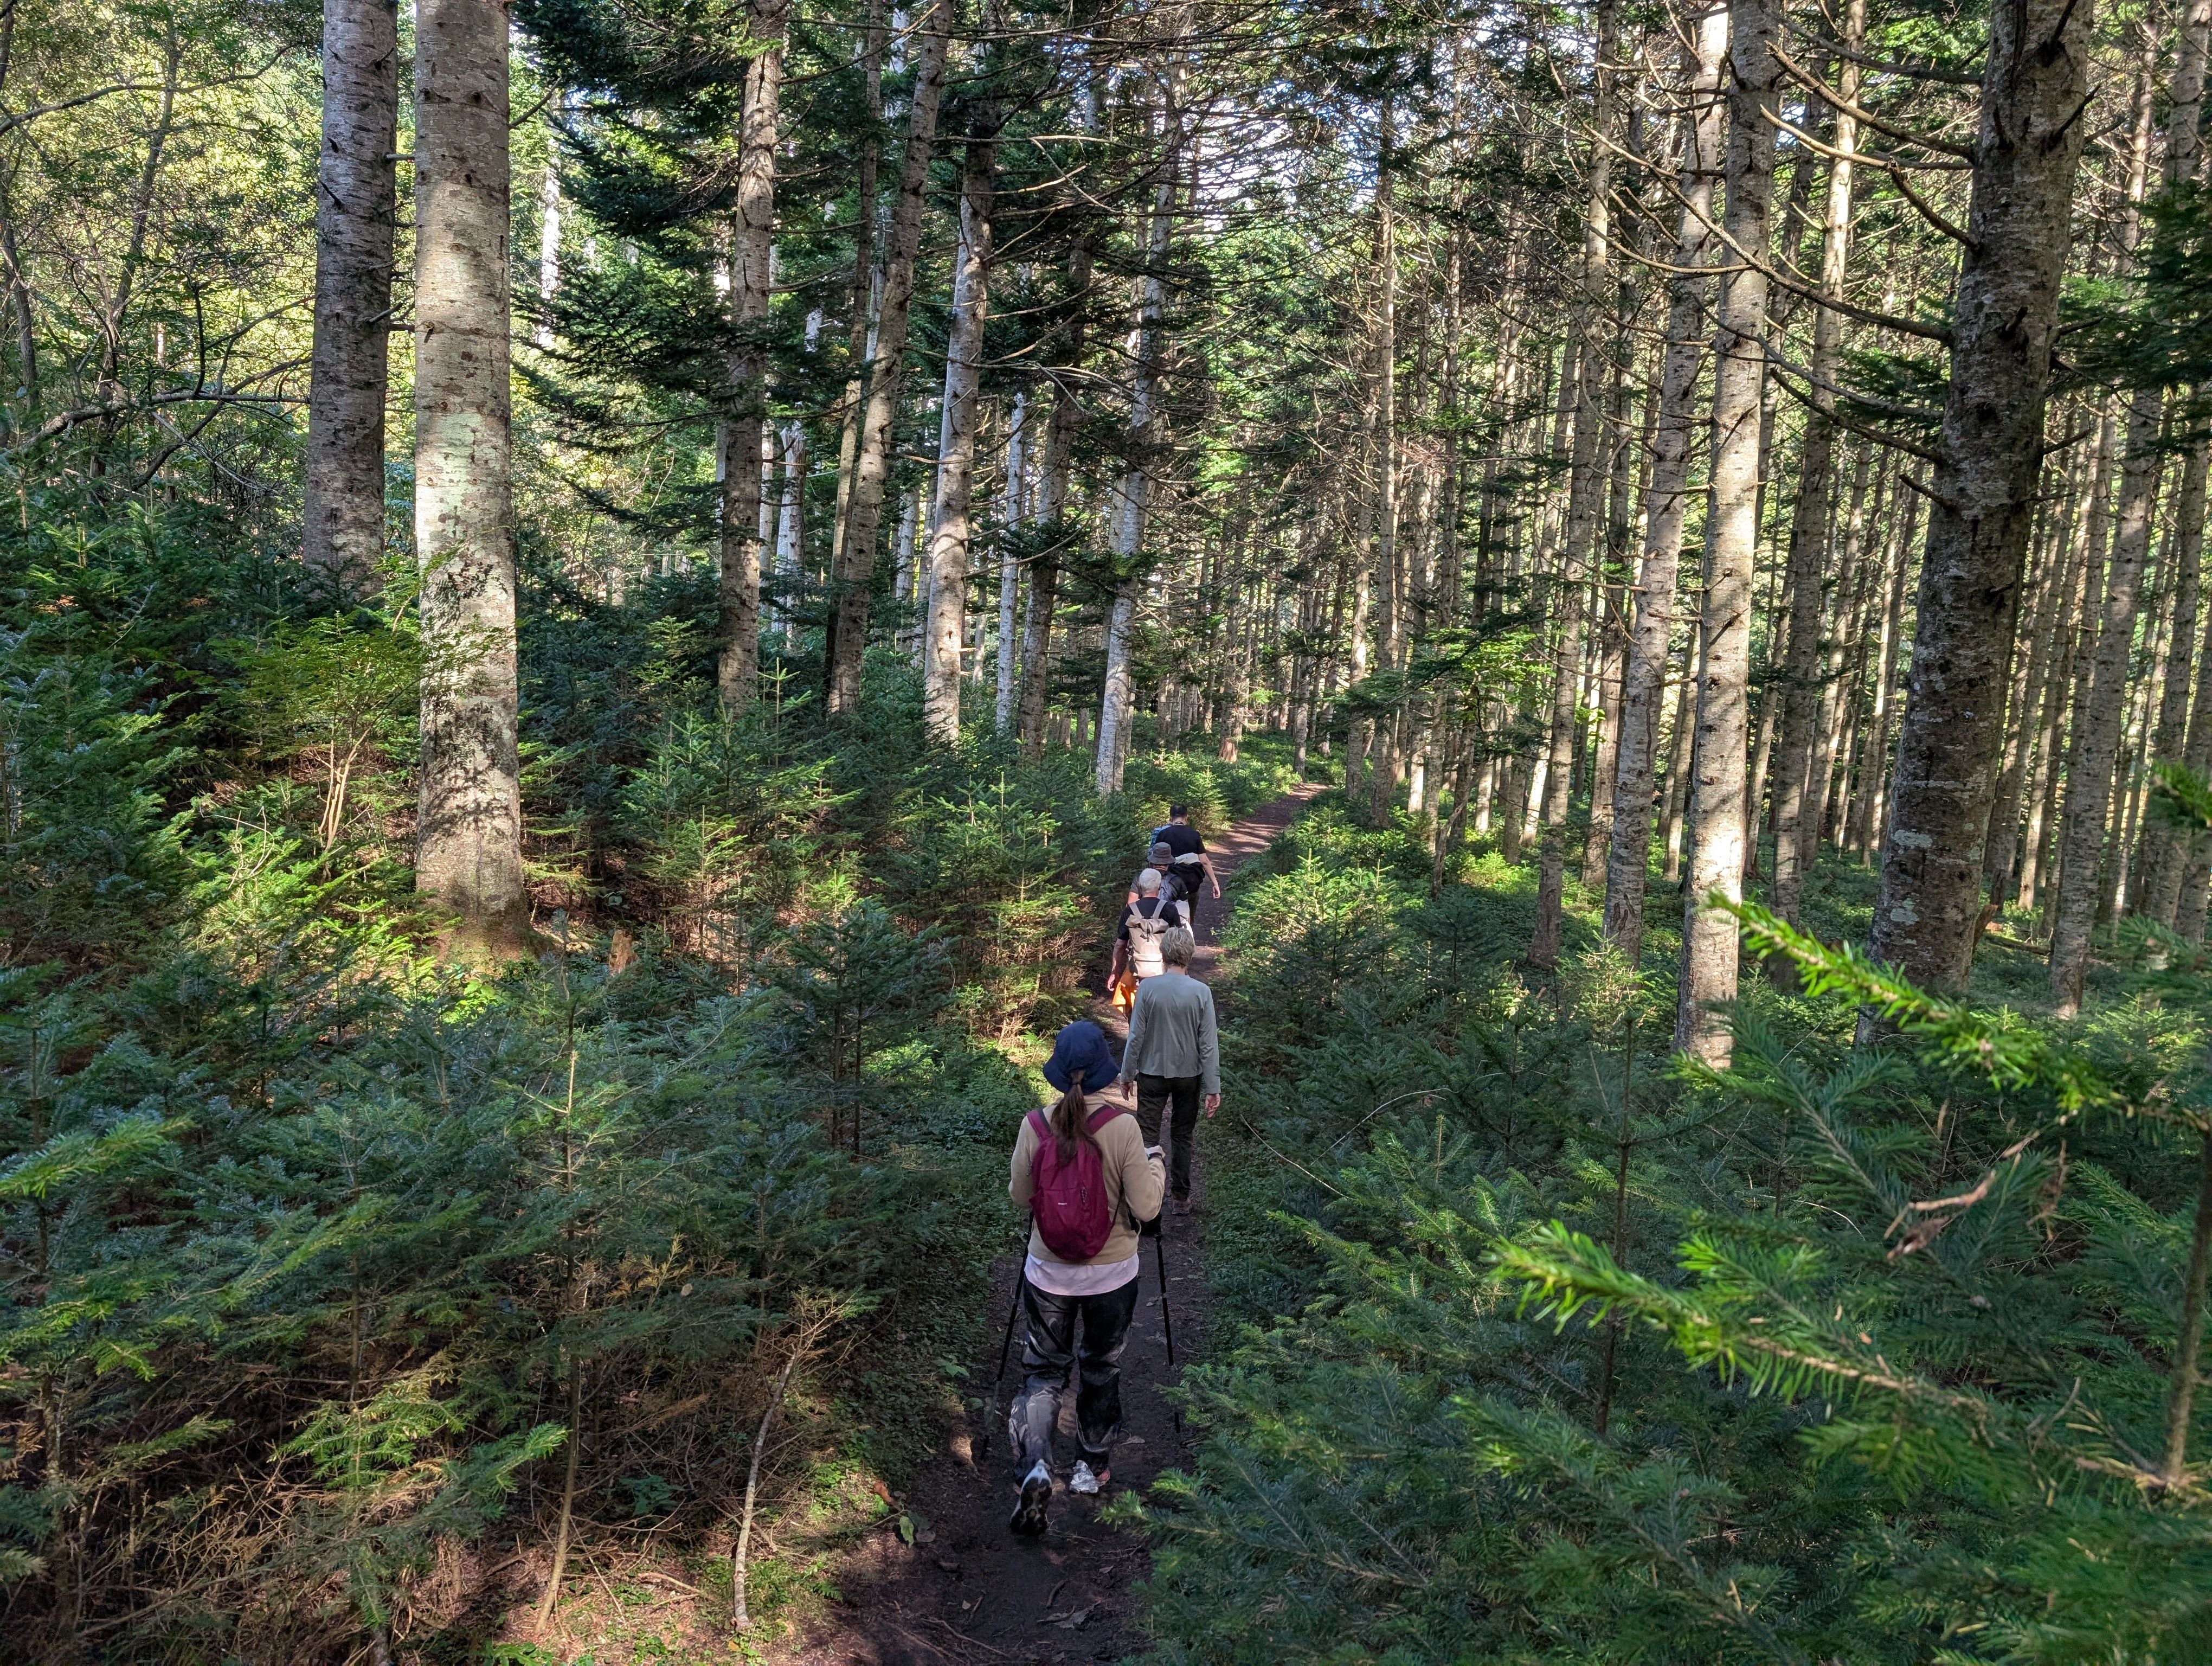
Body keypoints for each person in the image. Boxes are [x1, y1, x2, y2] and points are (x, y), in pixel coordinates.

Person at [1006, 1024, 1165, 1534]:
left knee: (1044, 1372)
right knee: (1100, 1366)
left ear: (1057, 1071)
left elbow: (1019, 1196)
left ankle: (1035, 1462)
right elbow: (1146, 1206)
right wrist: (1156, 1166)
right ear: (1104, 1069)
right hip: (1112, 1276)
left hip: (1047, 1272)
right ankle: (1090, 1467)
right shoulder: (1123, 1128)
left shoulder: (1036, 1124)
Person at [1118, 925, 1219, 1214]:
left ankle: (1143, 1200)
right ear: (1189, 955)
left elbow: (1135, 1036)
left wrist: (1127, 1074)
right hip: (1189, 1075)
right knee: (1182, 1135)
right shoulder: (1201, 992)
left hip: (1151, 1073)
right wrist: (1213, 1087)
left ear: (1164, 953)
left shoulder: (1148, 988)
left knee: (1147, 1137)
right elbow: (1209, 1044)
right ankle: (1180, 1198)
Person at [1108, 868, 1182, 995]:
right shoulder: (1170, 909)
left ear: (1141, 887)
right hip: (1163, 969)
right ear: (1159, 887)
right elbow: (1178, 943)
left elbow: (1120, 945)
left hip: (1137, 969)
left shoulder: (1130, 911)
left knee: (1134, 999)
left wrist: (1114, 973)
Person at [1150, 804, 1221, 910]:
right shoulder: (1194, 834)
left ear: (1171, 817)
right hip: (1191, 882)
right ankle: (1188, 925)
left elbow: (1157, 860)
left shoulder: (1163, 834)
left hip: (1169, 883)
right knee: (1189, 913)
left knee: (1166, 913)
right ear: (1186, 817)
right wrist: (1215, 883)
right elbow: (1205, 861)